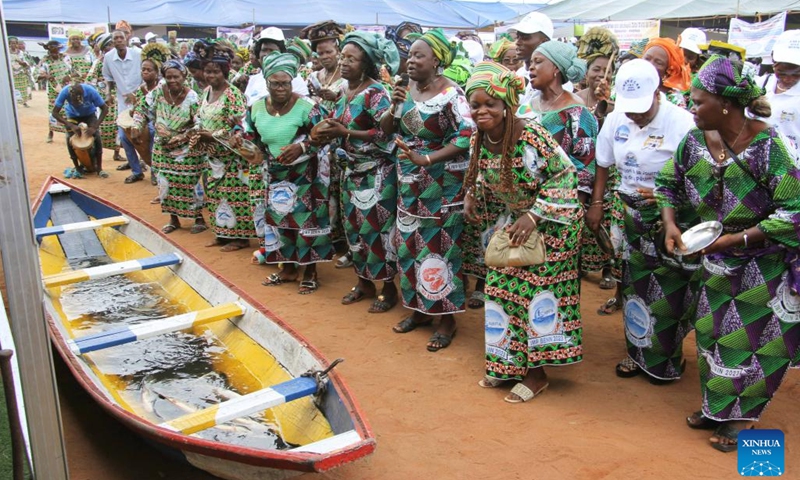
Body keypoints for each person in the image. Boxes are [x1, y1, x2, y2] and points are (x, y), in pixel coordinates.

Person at [656, 55, 800, 452]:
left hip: (762, 261)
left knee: (748, 338)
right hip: (714, 257)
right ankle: (717, 404)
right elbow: (668, 182)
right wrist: (671, 224)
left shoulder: (768, 147)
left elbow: (795, 211)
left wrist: (737, 240)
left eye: (698, 101)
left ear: (725, 104)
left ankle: (741, 417)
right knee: (711, 333)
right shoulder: (694, 141)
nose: (691, 108)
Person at [464, 61, 583, 403]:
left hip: (555, 225)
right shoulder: (480, 138)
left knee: (534, 292)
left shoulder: (531, 134)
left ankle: (536, 374)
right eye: (475, 105)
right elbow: (483, 176)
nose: (482, 111)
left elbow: (565, 175)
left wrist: (534, 215)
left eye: (490, 103)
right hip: (518, 222)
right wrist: (472, 195)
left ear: (506, 105)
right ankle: (504, 365)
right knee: (500, 288)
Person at [587, 59, 697, 383]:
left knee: (667, 292)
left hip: (671, 220)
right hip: (631, 216)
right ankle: (635, 352)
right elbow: (603, 164)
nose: (634, 114)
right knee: (635, 286)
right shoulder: (616, 119)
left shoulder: (682, 123)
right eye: (629, 107)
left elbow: (698, 176)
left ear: (658, 92)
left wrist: (665, 195)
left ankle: (665, 359)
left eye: (641, 108)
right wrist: (596, 203)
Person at [379, 28, 475, 351]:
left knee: (441, 248)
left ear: (436, 61)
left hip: (443, 185)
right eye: (410, 55)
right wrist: (393, 107)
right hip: (409, 182)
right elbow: (386, 129)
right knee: (409, 246)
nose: (411, 61)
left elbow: (466, 136)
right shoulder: (404, 89)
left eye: (419, 55)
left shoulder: (451, 94)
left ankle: (447, 319)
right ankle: (419, 310)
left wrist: (428, 157)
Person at [313, 31, 400, 311]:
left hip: (375, 173)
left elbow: (386, 134)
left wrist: (345, 131)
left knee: (376, 230)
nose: (345, 62)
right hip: (349, 171)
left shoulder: (376, 93)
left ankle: (388, 289)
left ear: (367, 64)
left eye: (353, 58)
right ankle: (363, 282)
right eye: (343, 57)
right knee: (354, 231)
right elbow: (339, 122)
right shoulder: (345, 90)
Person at [239, 52, 331, 293]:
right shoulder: (256, 108)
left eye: (286, 83)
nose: (281, 88)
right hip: (275, 172)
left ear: (292, 82)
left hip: (306, 174)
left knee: (306, 221)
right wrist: (247, 148)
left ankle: (310, 271)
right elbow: (250, 136)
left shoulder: (307, 107)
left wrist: (301, 146)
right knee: (280, 220)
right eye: (276, 84)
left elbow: (327, 134)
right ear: (266, 83)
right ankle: (288, 268)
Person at [576, 28, 625, 303]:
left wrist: (606, 106)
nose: (599, 74)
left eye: (605, 70)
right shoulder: (575, 99)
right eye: (595, 69)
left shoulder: (617, 104)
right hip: (580, 167)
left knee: (603, 219)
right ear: (586, 72)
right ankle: (582, 264)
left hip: (605, 169)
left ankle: (607, 268)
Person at [133, 59, 206, 233]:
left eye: (176, 77)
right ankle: (174, 219)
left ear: (184, 76)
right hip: (162, 148)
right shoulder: (158, 92)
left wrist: (182, 137)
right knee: (165, 183)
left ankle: (198, 218)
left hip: (187, 148)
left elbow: (199, 123)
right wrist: (136, 127)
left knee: (190, 183)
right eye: (168, 77)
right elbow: (142, 109)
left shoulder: (192, 97)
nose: (172, 80)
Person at [194, 45, 254, 251]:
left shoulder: (233, 94)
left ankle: (240, 237)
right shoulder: (206, 92)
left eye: (216, 71)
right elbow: (199, 117)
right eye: (208, 71)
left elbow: (240, 125)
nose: (211, 76)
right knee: (214, 193)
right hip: (212, 155)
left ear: (225, 72)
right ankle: (221, 233)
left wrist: (214, 136)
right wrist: (199, 132)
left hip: (232, 155)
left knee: (235, 194)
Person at [102, 29, 145, 183]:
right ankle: (136, 170)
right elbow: (108, 78)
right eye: (116, 38)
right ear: (112, 42)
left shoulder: (138, 54)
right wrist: (108, 93)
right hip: (123, 103)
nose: (119, 40)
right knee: (124, 137)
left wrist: (137, 92)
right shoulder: (108, 57)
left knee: (148, 134)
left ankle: (153, 170)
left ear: (127, 38)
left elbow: (149, 74)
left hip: (143, 100)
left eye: (121, 37)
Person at [51, 79, 109, 178]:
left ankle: (99, 168)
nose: (77, 105)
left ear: (82, 96)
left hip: (89, 115)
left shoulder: (91, 91)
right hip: (72, 116)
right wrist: (70, 125)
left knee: (96, 136)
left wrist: (95, 127)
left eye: (78, 102)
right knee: (70, 138)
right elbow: (54, 113)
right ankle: (77, 168)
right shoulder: (65, 91)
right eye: (74, 102)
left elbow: (105, 108)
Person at [760, 30, 800, 156]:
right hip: (759, 161)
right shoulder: (760, 85)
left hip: (792, 168)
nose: (788, 79)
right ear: (773, 62)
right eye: (781, 73)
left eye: (796, 73)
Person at [85, 33, 123, 162]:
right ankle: (96, 152)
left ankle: (117, 152)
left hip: (119, 96)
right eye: (107, 46)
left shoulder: (119, 59)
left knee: (119, 124)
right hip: (103, 98)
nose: (110, 48)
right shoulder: (99, 62)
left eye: (110, 45)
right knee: (101, 126)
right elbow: (90, 80)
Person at [302, 20, 346, 112]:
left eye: (329, 52)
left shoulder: (347, 77)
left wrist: (336, 97)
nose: (324, 57)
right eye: (320, 53)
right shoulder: (313, 76)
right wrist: (311, 95)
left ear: (338, 51)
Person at [38, 40, 72, 143]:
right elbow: (38, 74)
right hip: (54, 89)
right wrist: (46, 76)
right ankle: (51, 132)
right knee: (54, 110)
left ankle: (69, 132)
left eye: (56, 49)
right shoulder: (45, 61)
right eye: (52, 49)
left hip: (66, 87)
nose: (55, 52)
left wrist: (69, 76)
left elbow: (74, 69)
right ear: (48, 50)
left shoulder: (65, 57)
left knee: (67, 110)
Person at [643, 38, 691, 108]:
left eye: (658, 63)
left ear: (668, 70)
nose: (650, 64)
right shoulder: (630, 85)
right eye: (647, 58)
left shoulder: (674, 99)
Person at [9, 37, 31, 107]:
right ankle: (14, 102)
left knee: (23, 88)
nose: (14, 45)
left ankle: (24, 102)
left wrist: (20, 62)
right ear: (9, 44)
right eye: (12, 43)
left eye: (15, 43)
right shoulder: (7, 52)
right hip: (11, 73)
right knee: (13, 88)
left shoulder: (21, 53)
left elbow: (26, 63)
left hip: (21, 72)